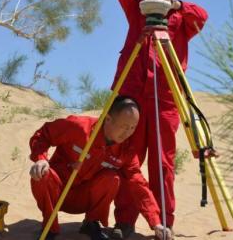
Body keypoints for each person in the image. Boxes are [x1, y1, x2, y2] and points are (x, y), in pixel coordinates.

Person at [111, 0, 208, 239]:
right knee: (129, 159)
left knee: (162, 164)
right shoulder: (137, 11)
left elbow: (201, 16)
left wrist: (177, 5)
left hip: (166, 101)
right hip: (132, 101)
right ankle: (125, 222)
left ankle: (163, 222)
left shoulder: (181, 18)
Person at [29, 96, 172, 240]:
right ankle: (50, 228)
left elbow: (139, 184)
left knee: (112, 178)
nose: (127, 133)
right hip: (57, 192)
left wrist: (156, 223)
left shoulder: (127, 150)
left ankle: (91, 223)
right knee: (43, 173)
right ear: (108, 118)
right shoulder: (79, 127)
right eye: (124, 126)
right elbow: (44, 134)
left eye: (132, 128)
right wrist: (41, 159)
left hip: (83, 199)